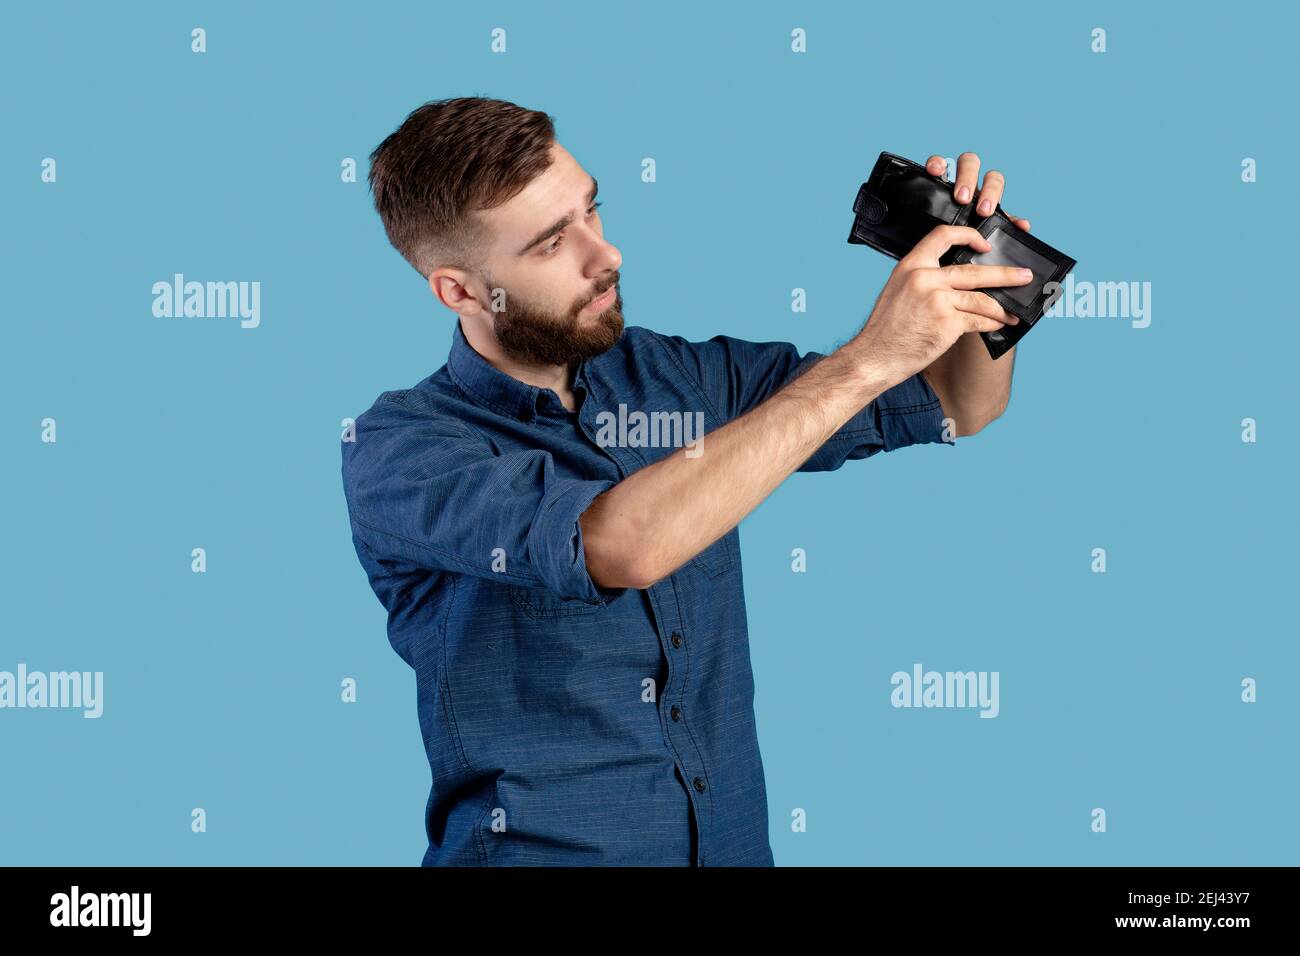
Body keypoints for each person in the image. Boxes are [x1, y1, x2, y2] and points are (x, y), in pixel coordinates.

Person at [340, 96, 1035, 866]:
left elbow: (956, 405)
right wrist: (867, 358)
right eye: (549, 245)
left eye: (591, 210)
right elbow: (616, 545)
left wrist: (986, 285)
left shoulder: (675, 377)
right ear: (460, 291)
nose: (605, 255)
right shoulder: (403, 451)